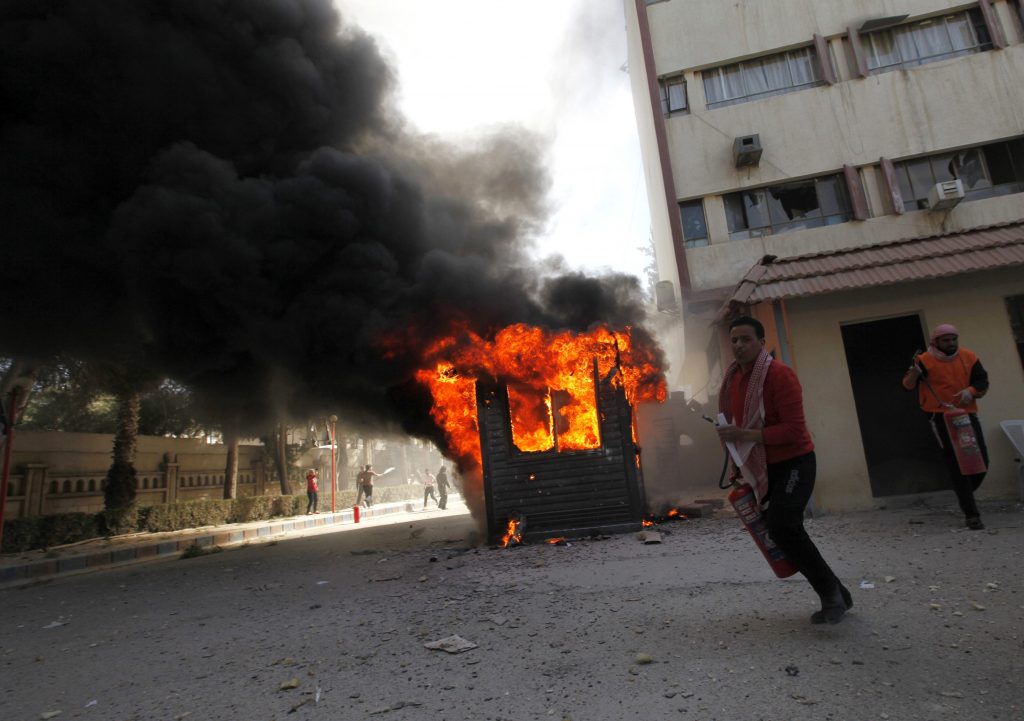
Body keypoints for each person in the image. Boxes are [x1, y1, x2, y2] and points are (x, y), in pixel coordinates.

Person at [716, 316, 852, 625]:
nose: (738, 345)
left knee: (783, 528)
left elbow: (792, 430)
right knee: (783, 530)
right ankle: (839, 593)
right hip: (765, 466)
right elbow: (738, 425)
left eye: (746, 339)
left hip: (795, 462)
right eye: (734, 340)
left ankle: (831, 596)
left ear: (761, 343)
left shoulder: (779, 375)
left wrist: (744, 436)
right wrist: (739, 459)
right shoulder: (735, 379)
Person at [901, 323, 990, 530]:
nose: (950, 343)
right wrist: (914, 373)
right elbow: (907, 385)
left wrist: (970, 391)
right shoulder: (923, 360)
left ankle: (965, 490)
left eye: (953, 339)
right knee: (956, 464)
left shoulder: (969, 357)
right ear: (936, 342)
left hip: (966, 415)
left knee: (981, 460)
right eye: (946, 340)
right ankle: (971, 514)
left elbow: (982, 382)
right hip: (939, 418)